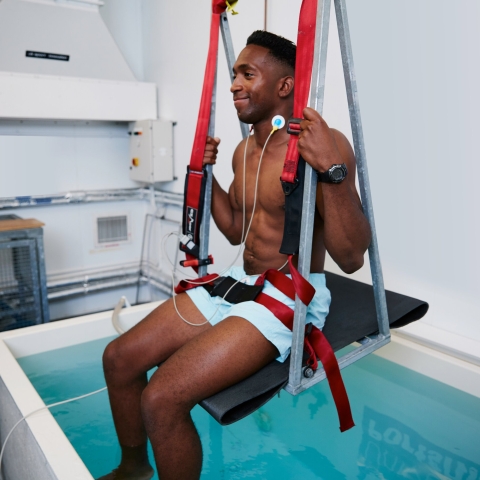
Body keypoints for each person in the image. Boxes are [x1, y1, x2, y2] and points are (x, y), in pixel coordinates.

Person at [98, 31, 371, 480]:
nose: (234, 84)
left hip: (287, 295)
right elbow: (234, 227)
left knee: (162, 398)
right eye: (234, 74)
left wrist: (333, 172)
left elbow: (352, 257)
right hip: (235, 281)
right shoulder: (245, 149)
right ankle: (133, 469)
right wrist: (206, 176)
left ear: (285, 86)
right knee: (119, 358)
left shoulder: (322, 145)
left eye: (248, 74)